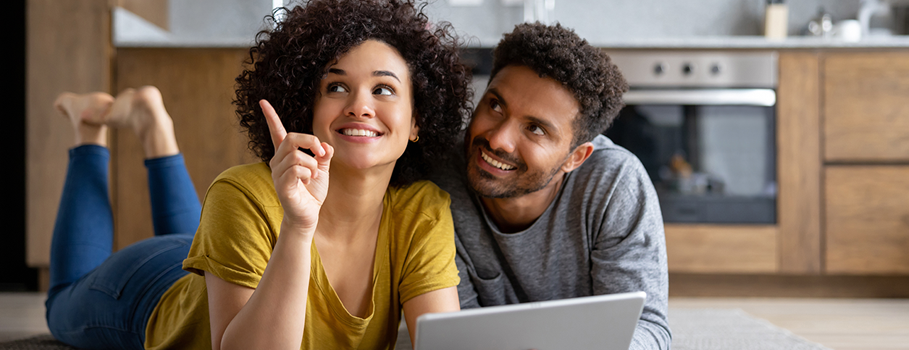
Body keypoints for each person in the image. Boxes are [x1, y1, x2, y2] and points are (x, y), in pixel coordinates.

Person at [44, 0, 472, 349]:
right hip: (148, 295)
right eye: (336, 87)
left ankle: (153, 125)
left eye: (384, 89)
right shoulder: (242, 192)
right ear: (308, 108)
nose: (360, 106)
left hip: (226, 262)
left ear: (417, 121)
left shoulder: (424, 210)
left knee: (207, 243)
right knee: (62, 302)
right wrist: (299, 226)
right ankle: (89, 128)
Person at [430, 23, 672, 349]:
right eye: (495, 106)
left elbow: (648, 328)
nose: (498, 139)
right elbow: (455, 333)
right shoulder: (437, 180)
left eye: (535, 129)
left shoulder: (614, 183)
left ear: (576, 157)